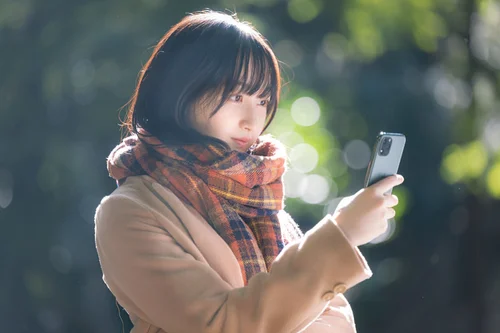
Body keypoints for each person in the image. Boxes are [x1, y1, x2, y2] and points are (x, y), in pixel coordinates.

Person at [94, 10, 404, 333]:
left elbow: (336, 321)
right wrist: (341, 234)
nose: (251, 120)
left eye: (262, 100)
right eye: (236, 95)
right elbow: (224, 325)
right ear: (178, 90)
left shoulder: (258, 198)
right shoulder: (129, 212)